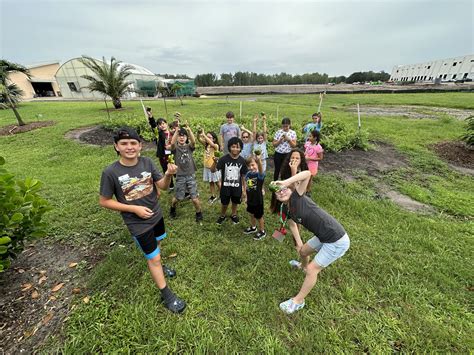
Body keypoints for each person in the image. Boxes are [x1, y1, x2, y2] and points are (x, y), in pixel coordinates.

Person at [99, 127, 186, 313]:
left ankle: (160, 265)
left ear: (140, 145)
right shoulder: (110, 172)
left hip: (156, 214)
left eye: (133, 143)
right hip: (137, 223)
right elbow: (104, 201)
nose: (129, 147)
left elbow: (161, 186)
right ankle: (166, 294)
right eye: (124, 143)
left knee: (159, 242)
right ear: (116, 146)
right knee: (153, 258)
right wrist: (133, 208)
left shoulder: (147, 162)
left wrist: (169, 174)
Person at [272, 170, 350, 314]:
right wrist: (299, 243)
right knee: (303, 252)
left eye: (284, 190)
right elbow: (292, 225)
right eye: (278, 192)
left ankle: (298, 301)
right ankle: (302, 265)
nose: (281, 192)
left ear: (290, 189)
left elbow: (307, 173)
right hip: (322, 236)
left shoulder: (297, 197)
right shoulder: (286, 208)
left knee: (312, 270)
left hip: (336, 239)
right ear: (276, 197)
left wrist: (285, 182)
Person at [169, 123, 203, 222]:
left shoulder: (189, 147)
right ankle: (172, 208)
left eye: (183, 136)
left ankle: (198, 212)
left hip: (191, 176)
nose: (181, 138)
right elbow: (171, 143)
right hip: (180, 176)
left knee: (194, 198)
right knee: (177, 198)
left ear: (186, 137)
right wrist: (177, 131)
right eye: (180, 136)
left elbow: (193, 141)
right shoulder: (175, 148)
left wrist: (189, 130)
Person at [214, 137, 248, 225]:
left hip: (237, 187)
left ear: (240, 148)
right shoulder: (223, 159)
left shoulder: (242, 161)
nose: (235, 149)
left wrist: (244, 189)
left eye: (237, 147)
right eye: (233, 147)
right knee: (224, 203)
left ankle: (234, 214)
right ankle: (222, 215)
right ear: (229, 147)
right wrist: (214, 162)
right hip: (225, 187)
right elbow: (212, 170)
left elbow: (243, 176)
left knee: (235, 202)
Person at [147, 110, 174, 190]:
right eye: (160, 124)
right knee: (166, 170)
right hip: (163, 156)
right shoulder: (158, 134)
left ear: (166, 124)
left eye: (163, 123)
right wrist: (151, 117)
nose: (162, 125)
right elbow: (153, 126)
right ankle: (171, 185)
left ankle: (180, 183)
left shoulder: (172, 133)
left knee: (175, 169)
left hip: (172, 154)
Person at [244, 154, 266, 240]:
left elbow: (261, 171)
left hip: (258, 200)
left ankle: (262, 231)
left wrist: (259, 161)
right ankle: (253, 227)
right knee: (251, 214)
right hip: (250, 199)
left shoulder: (259, 175)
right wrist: (245, 197)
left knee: (259, 216)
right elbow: (246, 185)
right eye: (249, 166)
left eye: (253, 165)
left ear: (257, 164)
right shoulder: (248, 174)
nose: (251, 167)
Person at [198, 130, 221, 204]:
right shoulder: (206, 145)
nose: (206, 138)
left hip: (213, 168)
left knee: (217, 182)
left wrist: (204, 135)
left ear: (214, 139)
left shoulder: (215, 146)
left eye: (209, 137)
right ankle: (213, 196)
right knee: (211, 182)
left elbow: (211, 143)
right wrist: (199, 134)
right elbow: (198, 139)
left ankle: (223, 195)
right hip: (207, 167)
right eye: (206, 137)